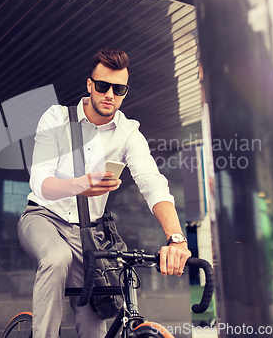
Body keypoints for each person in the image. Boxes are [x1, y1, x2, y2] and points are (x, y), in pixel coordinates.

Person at [17, 48, 191, 338]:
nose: (110, 94)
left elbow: (152, 182)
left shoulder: (128, 133)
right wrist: (80, 184)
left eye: (119, 88)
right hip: (42, 218)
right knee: (57, 258)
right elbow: (40, 181)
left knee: (95, 321)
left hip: (88, 233)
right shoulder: (57, 118)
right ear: (90, 85)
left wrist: (176, 238)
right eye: (102, 86)